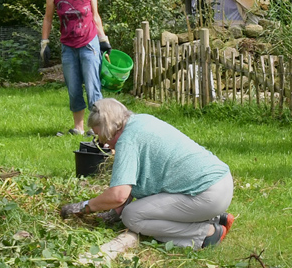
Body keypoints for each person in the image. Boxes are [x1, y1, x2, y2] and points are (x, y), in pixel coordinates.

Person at [59, 99, 235, 250]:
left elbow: (118, 195)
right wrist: (113, 213)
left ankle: (206, 234)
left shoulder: (128, 141)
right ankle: (216, 217)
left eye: (100, 136)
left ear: (108, 129)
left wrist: (83, 206)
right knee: (135, 210)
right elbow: (134, 181)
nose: (102, 143)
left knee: (132, 216)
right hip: (221, 183)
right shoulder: (141, 121)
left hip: (206, 195)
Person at [41, 0, 111, 136]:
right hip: (68, 47)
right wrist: (44, 42)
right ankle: (78, 128)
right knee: (73, 87)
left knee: (92, 85)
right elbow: (48, 19)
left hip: (89, 44)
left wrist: (103, 40)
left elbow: (95, 16)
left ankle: (96, 128)